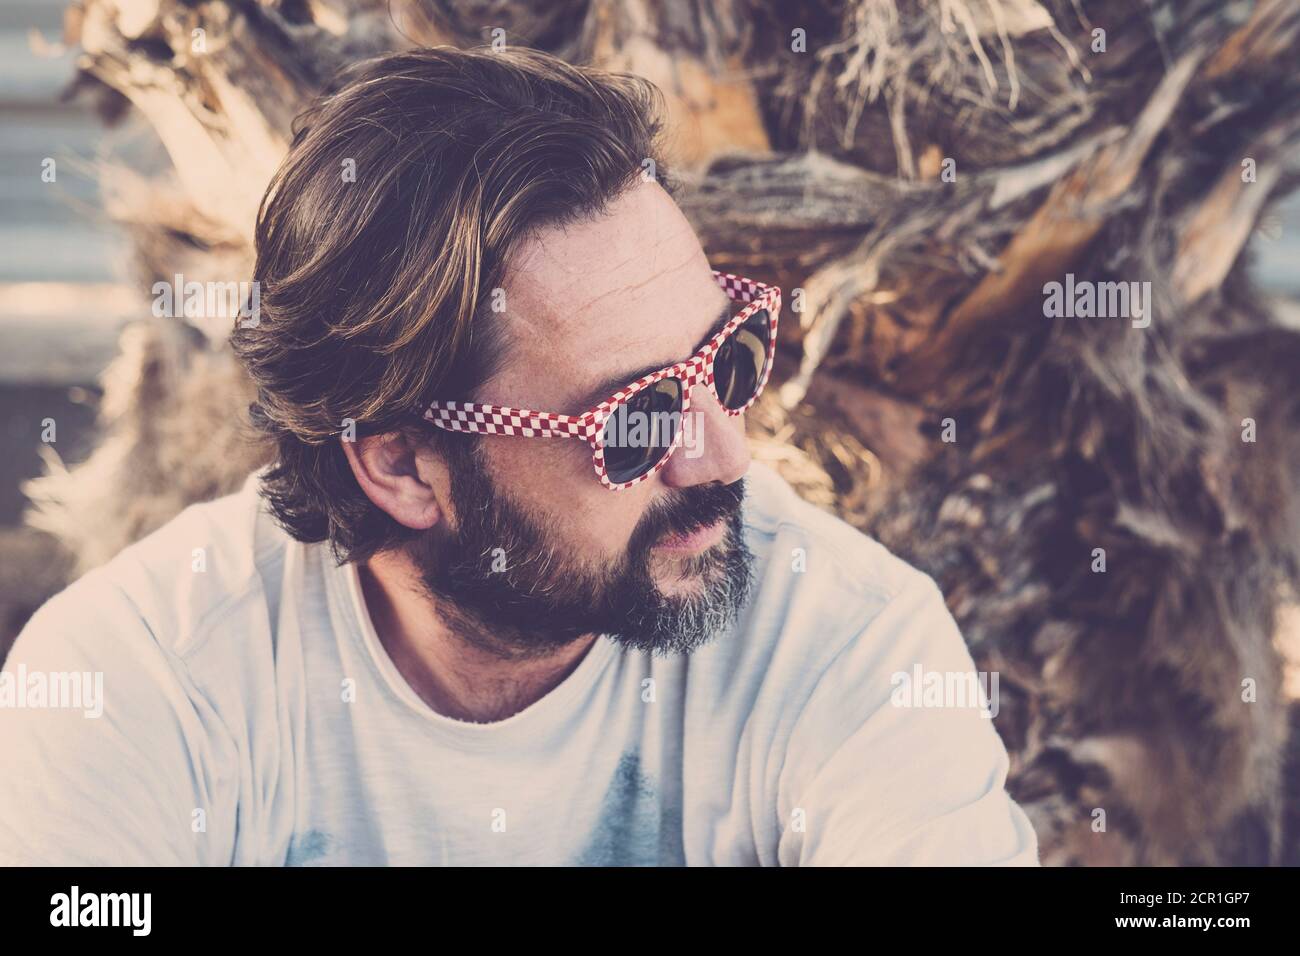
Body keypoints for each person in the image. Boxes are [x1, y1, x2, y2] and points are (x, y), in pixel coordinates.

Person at [0, 46, 1038, 866]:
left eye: (730, 358)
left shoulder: (850, 645)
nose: (724, 452)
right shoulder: (136, 683)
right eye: (635, 420)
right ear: (402, 466)